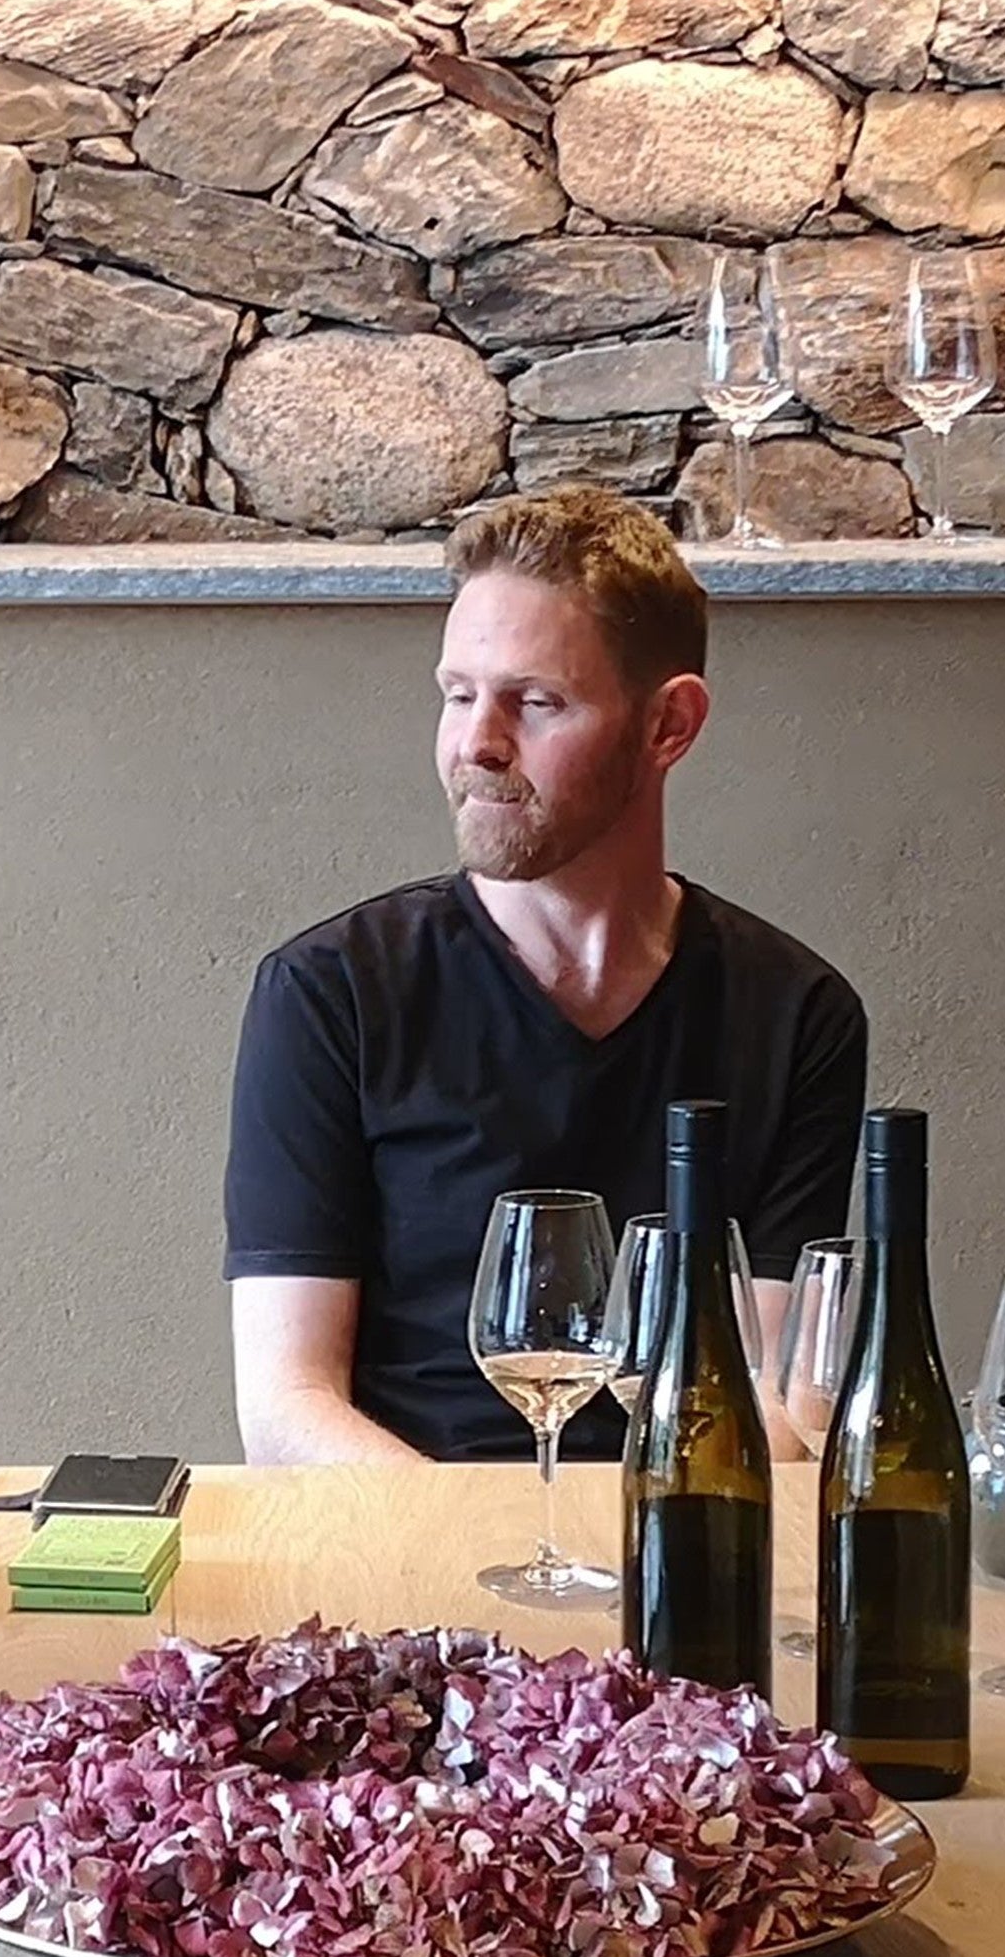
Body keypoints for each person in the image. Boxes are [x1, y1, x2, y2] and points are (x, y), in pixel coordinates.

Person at [225, 487, 870, 1466]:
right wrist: (484, 1544)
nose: (476, 744)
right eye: (457, 695)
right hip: (405, 1536)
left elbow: (768, 1403)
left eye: (534, 702)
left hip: (673, 1532)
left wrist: (621, 1549)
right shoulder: (330, 995)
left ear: (668, 726)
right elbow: (286, 1411)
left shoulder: (797, 1015)